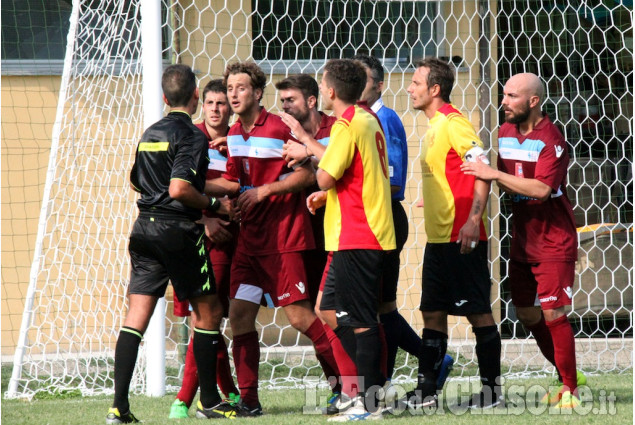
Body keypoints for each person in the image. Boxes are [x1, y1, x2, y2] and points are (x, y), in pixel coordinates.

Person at [206, 62, 339, 417]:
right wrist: (205, 194)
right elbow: (235, 180)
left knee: (300, 318)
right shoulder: (234, 133)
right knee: (239, 317)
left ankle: (347, 387)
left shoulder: (280, 127)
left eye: (241, 88)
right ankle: (249, 401)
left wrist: (266, 191)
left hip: (283, 240)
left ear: (257, 92)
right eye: (229, 88)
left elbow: (310, 174)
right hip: (248, 243)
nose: (233, 94)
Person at [106, 64, 232, 424]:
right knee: (208, 312)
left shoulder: (150, 132)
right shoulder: (191, 135)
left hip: (143, 229)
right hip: (177, 232)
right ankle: (209, 401)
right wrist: (213, 206)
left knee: (136, 317)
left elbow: (138, 182)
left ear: (164, 97)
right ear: (195, 96)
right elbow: (178, 188)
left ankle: (119, 408)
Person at [460, 72, 585, 409]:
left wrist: (494, 174)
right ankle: (566, 372)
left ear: (533, 101)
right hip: (523, 240)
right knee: (529, 315)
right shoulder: (505, 132)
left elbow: (542, 191)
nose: (504, 102)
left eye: (512, 96)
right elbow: (499, 180)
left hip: (553, 240)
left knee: (553, 313)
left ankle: (570, 389)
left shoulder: (552, 140)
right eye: (504, 95)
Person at [405, 57, 502, 409]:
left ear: (434, 89)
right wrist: (428, 200)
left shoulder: (453, 121)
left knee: (478, 313)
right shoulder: (433, 127)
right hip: (438, 238)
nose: (410, 88)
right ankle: (426, 393)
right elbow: (450, 174)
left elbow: (481, 168)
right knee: (431, 312)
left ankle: (492, 394)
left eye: (416, 83)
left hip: (462, 237)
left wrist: (474, 219)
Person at [352, 53, 455, 388]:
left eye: (362, 78)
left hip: (384, 218)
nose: (354, 84)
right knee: (378, 307)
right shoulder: (356, 119)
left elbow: (393, 178)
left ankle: (381, 379)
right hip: (363, 218)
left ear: (379, 85)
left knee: (379, 308)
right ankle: (395, 374)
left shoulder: (386, 119)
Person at [307, 58, 396, 421]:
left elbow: (326, 176)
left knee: (362, 321)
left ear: (329, 90)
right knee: (327, 310)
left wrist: (315, 168)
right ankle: (369, 385)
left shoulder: (347, 124)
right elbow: (359, 175)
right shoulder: (367, 118)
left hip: (359, 234)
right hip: (358, 232)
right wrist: (327, 196)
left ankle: (369, 403)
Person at [277, 74, 359, 414]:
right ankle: (339, 386)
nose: (285, 107)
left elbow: (332, 172)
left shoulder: (337, 128)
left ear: (312, 100)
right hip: (299, 235)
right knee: (312, 314)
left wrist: (306, 152)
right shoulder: (282, 132)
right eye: (281, 101)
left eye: (291, 100)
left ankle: (363, 382)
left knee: (343, 313)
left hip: (339, 233)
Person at [169, 79, 240, 419]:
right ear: (202, 104)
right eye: (210, 102)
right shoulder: (190, 137)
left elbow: (238, 184)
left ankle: (185, 399)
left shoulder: (237, 140)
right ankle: (226, 393)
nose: (214, 109)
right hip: (193, 236)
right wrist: (204, 220)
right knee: (204, 320)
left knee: (209, 320)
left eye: (221, 104)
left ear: (229, 108)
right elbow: (176, 188)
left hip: (227, 241)